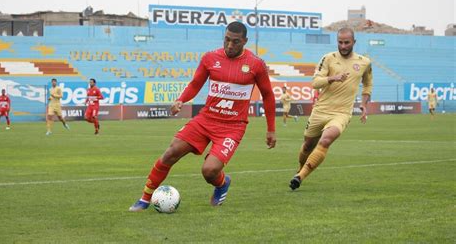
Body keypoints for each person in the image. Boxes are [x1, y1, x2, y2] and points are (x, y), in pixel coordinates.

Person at [129, 21, 276, 212]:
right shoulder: (210, 58)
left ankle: (222, 184)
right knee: (170, 152)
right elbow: (195, 84)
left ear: (245, 41)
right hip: (205, 120)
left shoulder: (256, 64)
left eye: (236, 42)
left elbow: (268, 95)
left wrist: (271, 129)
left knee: (209, 171)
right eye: (227, 40)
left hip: (232, 127)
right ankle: (145, 198)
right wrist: (181, 100)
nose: (230, 45)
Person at [289, 27, 373, 190]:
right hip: (321, 110)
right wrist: (332, 78)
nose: (343, 46)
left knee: (326, 140)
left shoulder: (364, 62)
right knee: (307, 145)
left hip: (341, 113)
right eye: (340, 42)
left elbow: (368, 83)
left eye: (346, 42)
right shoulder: (328, 58)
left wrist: (363, 104)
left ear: (354, 42)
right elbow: (315, 83)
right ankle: (300, 168)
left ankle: (300, 176)